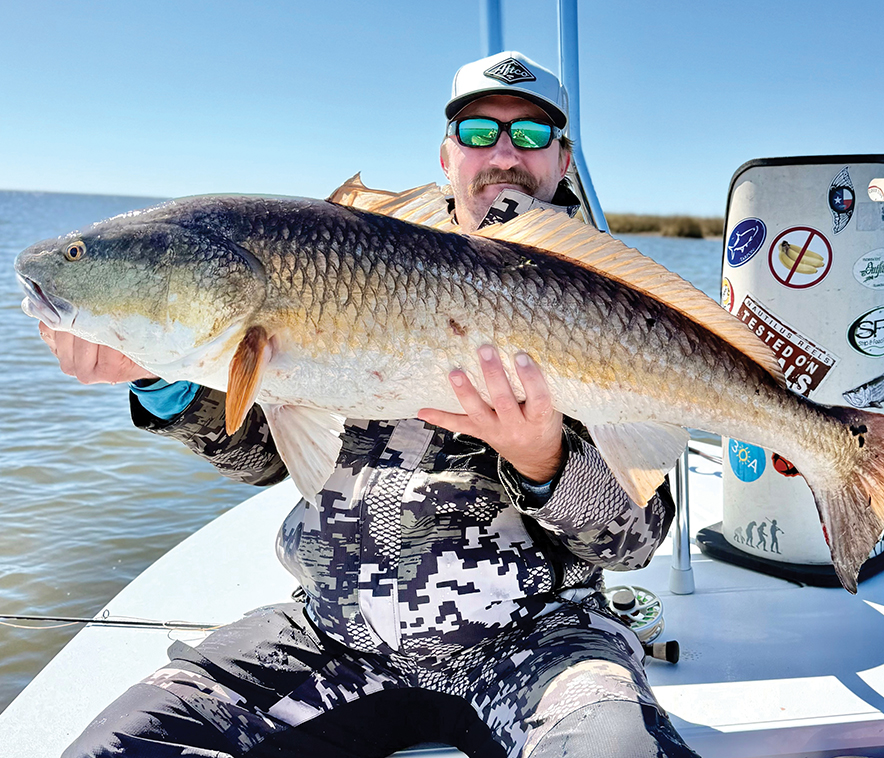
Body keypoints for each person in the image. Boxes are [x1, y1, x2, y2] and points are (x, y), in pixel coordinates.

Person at [47, 51, 699, 758]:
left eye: (532, 134)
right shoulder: (352, 252)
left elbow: (634, 542)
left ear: (563, 159)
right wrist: (163, 376)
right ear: (447, 154)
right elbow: (267, 457)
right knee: (118, 748)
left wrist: (546, 461)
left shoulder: (614, 308)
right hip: (333, 640)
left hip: (541, 647)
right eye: (479, 131)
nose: (505, 152)